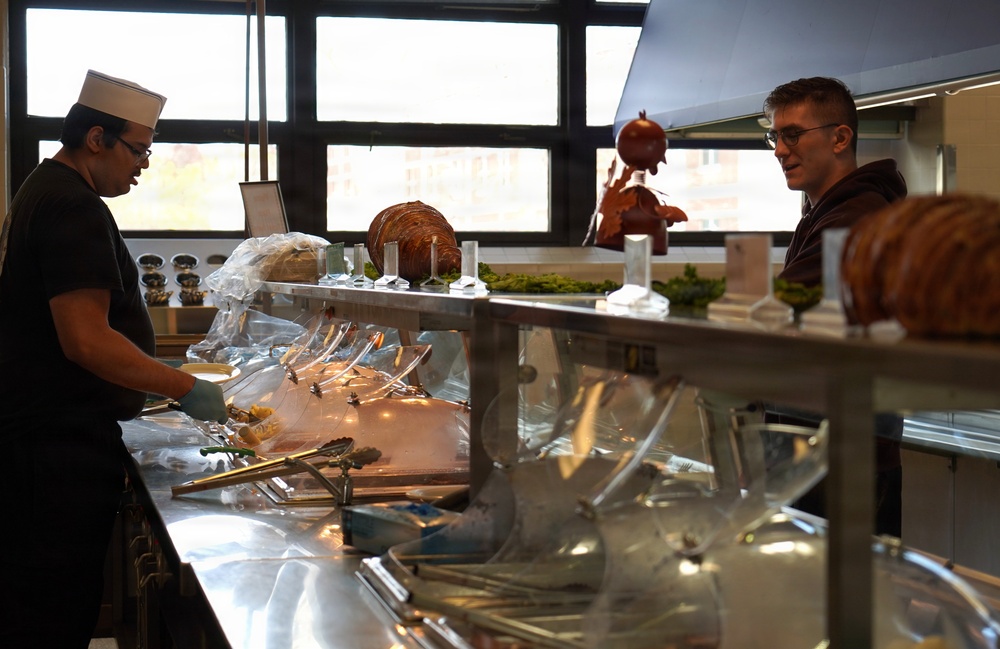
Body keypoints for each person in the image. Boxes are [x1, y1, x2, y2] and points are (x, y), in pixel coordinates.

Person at [0, 70, 228, 648]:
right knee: (52, 614)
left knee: (42, 608)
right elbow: (87, 340)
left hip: (43, 442)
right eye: (139, 149)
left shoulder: (45, 189)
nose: (144, 165)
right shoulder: (70, 206)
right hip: (55, 452)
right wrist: (182, 386)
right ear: (95, 138)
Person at [762, 76, 906, 537]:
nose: (780, 150)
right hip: (819, 443)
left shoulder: (854, 217)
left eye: (793, 134)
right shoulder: (827, 211)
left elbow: (781, 309)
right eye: (775, 136)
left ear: (840, 137)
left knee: (840, 598)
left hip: (842, 452)